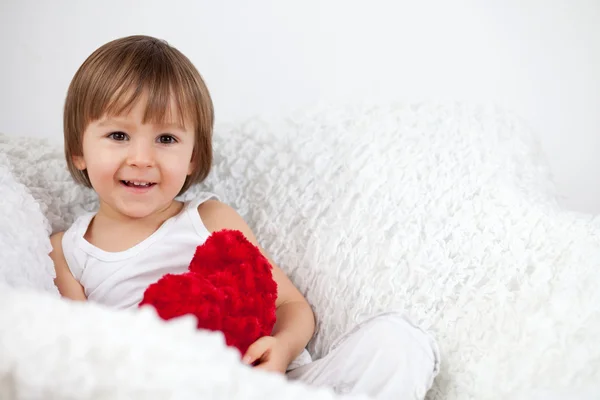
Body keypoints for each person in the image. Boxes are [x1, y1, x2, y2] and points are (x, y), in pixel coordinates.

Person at [49, 35, 439, 399]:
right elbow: (86, 354)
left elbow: (291, 306)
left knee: (398, 342)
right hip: (160, 387)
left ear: (193, 158)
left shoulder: (211, 220)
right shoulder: (67, 251)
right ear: (78, 150)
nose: (142, 158)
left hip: (256, 382)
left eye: (166, 139)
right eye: (118, 135)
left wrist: (281, 350)